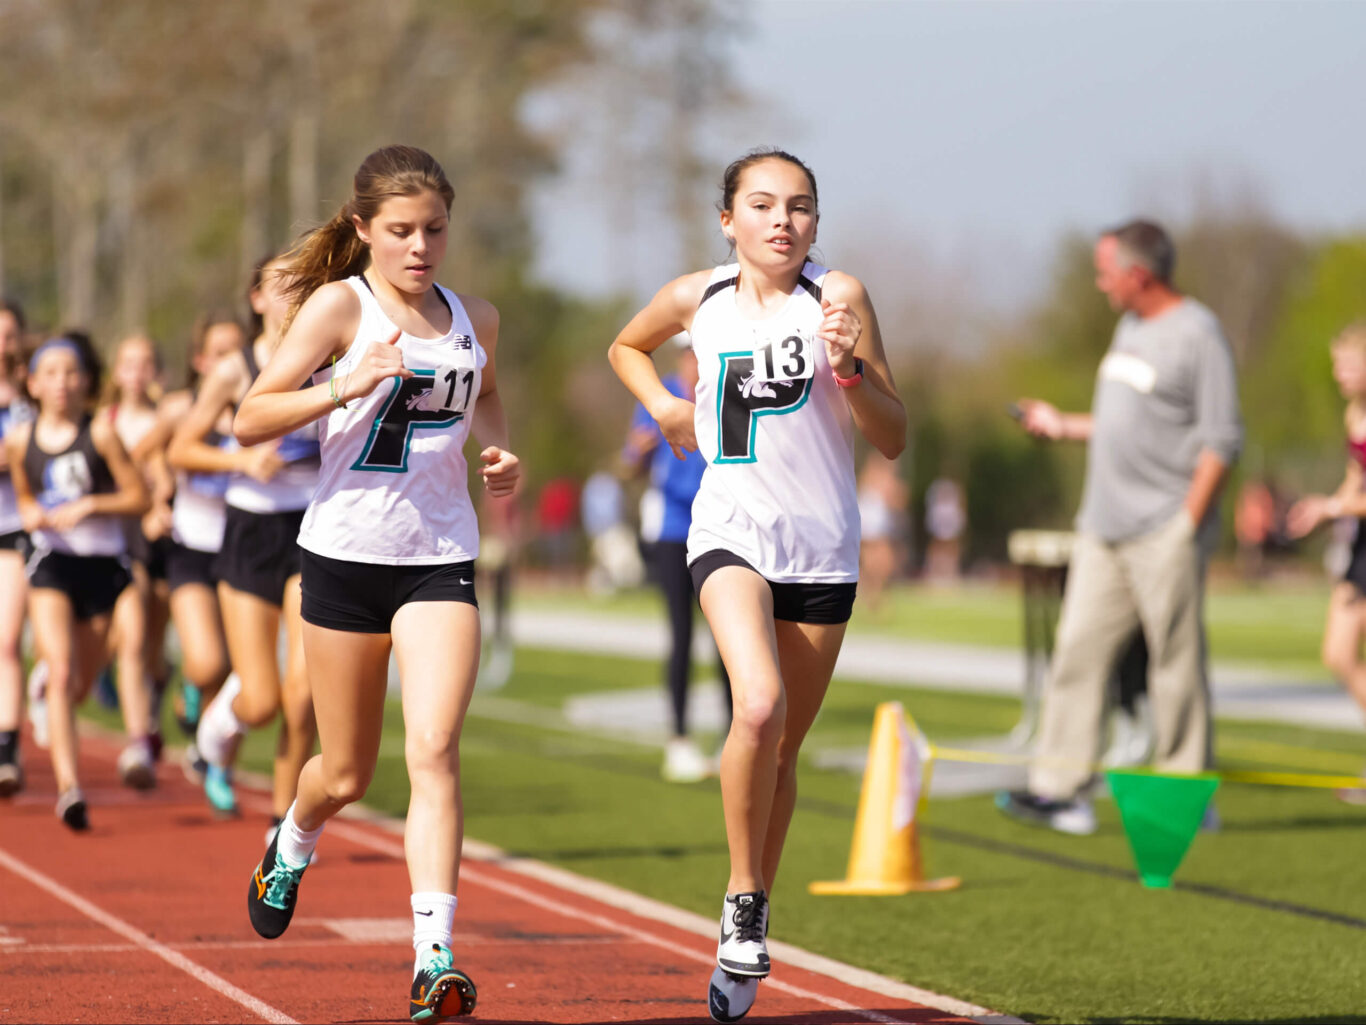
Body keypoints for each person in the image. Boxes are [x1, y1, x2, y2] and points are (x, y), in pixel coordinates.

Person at [608, 148, 905, 1023]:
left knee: (781, 752)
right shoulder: (696, 298)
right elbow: (627, 344)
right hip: (730, 533)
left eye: (802, 207)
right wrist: (665, 407)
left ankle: (756, 904)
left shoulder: (838, 298)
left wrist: (849, 371)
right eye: (764, 204)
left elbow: (892, 435)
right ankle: (741, 898)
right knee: (758, 705)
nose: (784, 221)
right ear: (728, 218)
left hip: (823, 552)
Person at [234, 145, 518, 1023]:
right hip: (346, 557)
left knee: (433, 748)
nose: (420, 246)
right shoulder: (336, 307)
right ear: (364, 230)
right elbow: (251, 416)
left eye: (434, 228)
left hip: (438, 556)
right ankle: (293, 836)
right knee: (346, 770)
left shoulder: (478, 316)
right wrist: (341, 386)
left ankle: (433, 955)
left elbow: (490, 398)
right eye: (400, 231)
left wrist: (498, 452)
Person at [998, 219, 1243, 835]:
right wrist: (1063, 424)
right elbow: (1125, 423)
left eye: (1107, 271)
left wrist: (1187, 524)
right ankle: (1060, 791)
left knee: (1175, 665)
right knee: (1077, 656)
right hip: (1102, 530)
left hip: (1165, 531)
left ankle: (1184, 796)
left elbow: (1222, 440)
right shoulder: (1129, 326)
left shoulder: (1199, 334)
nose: (1100, 283)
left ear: (1138, 274)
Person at [168, 258, 317, 824]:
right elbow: (182, 449)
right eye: (283, 285)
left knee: (303, 698)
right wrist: (240, 460)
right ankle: (213, 735)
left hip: (312, 529)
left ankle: (285, 826)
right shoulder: (235, 369)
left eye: (306, 285)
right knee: (260, 699)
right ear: (257, 298)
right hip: (250, 530)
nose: (295, 295)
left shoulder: (332, 358)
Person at [7, 336, 149, 829]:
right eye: (52, 374)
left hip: (105, 565)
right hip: (53, 565)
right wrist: (30, 512)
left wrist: (91, 505)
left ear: (85, 381)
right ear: (34, 383)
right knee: (64, 670)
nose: (63, 383)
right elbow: (24, 498)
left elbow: (139, 497)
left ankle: (54, 688)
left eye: (72, 373)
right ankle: (70, 788)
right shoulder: (21, 440)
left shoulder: (102, 435)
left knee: (83, 681)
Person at [139, 312, 245, 773]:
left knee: (234, 670)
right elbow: (145, 452)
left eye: (236, 352)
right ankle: (187, 685)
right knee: (207, 663)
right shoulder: (182, 409)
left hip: (241, 547)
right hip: (189, 546)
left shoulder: (258, 404)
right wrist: (159, 496)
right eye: (220, 353)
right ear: (201, 361)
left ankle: (212, 762)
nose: (229, 362)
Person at [623, 339, 732, 783]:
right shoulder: (659, 395)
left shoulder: (724, 394)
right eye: (690, 353)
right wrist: (640, 451)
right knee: (682, 634)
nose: (695, 361)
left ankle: (733, 740)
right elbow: (630, 464)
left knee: (730, 639)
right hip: (672, 532)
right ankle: (680, 740)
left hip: (723, 528)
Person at [1286, 323, 1366, 801]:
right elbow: (1356, 480)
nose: (1339, 374)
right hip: (1361, 545)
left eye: (1348, 365)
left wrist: (1334, 508)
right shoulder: (1353, 414)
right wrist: (1323, 509)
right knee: (1337, 653)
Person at [102, 333, 170, 783]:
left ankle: (153, 699)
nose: (137, 372)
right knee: (130, 636)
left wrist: (160, 503)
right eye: (129, 363)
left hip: (155, 540)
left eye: (146, 363)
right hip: (114, 539)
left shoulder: (164, 421)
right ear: (115, 371)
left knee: (151, 645)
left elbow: (165, 476)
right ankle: (139, 741)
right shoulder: (102, 422)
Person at [0, 299, 32, 795]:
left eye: (9, 334)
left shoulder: (35, 393)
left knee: (6, 641)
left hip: (15, 527)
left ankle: (6, 749)